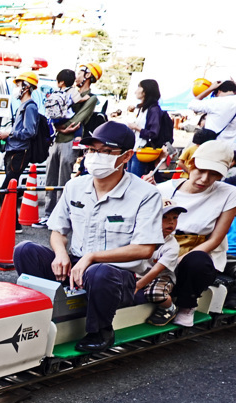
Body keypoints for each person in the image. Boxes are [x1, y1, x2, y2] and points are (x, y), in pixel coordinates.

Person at [13, 121, 163, 353]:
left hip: (116, 276)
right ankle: (46, 311)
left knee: (99, 272)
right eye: (92, 150)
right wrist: (61, 254)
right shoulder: (75, 186)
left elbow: (144, 249)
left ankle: (100, 331)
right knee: (25, 250)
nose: (96, 156)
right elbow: (58, 230)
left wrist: (92, 257)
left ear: (126, 156)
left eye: (106, 151)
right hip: (76, 266)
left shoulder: (146, 194)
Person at [155, 140, 236, 327]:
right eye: (201, 170)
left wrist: (178, 260)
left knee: (197, 261)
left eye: (214, 174)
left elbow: (215, 239)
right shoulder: (162, 189)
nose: (204, 179)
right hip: (162, 248)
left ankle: (187, 305)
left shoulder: (229, 193)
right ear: (190, 164)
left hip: (199, 253)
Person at [44, 63, 101, 221]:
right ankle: (47, 214)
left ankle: (59, 215)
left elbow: (78, 119)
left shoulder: (91, 98)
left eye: (80, 72)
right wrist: (57, 127)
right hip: (57, 138)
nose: (76, 76)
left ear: (88, 75)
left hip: (70, 140)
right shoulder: (68, 92)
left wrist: (61, 128)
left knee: (63, 179)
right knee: (50, 177)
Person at [0, 71, 40, 233]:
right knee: (8, 188)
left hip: (19, 152)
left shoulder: (30, 107)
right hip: (13, 150)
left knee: (7, 189)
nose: (16, 88)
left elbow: (30, 132)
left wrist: (9, 134)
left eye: (19, 85)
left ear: (26, 87)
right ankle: (7, 221)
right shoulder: (22, 106)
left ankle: (14, 224)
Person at [135, 201, 184, 326]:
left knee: (155, 294)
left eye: (175, 218)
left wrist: (138, 286)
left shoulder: (172, 245)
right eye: (164, 217)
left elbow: (157, 270)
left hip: (161, 276)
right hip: (139, 273)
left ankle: (169, 308)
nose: (171, 222)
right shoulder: (139, 235)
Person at [125, 79, 165, 177]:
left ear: (146, 91)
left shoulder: (154, 109)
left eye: (139, 87)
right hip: (135, 149)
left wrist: (137, 128)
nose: (136, 91)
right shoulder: (142, 108)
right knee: (129, 177)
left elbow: (153, 133)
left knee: (135, 179)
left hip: (143, 151)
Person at [188, 80, 236, 151]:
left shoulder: (215, 102)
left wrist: (210, 89)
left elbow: (191, 104)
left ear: (219, 91)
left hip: (213, 148)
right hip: (233, 149)